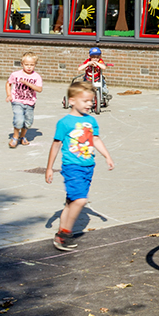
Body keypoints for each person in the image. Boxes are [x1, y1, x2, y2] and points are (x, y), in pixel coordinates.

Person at [46, 82, 114, 251]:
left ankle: (61, 234)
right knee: (80, 199)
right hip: (72, 166)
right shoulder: (65, 122)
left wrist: (107, 156)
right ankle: (65, 234)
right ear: (72, 101)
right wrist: (49, 168)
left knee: (71, 202)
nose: (89, 104)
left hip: (88, 166)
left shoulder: (91, 120)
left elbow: (96, 139)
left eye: (91, 101)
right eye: (85, 101)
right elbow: (55, 145)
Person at [6, 53, 43, 148]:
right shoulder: (16, 74)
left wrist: (27, 83)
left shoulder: (36, 77)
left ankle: (22, 136)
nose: (29, 67)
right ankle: (15, 136)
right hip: (17, 100)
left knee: (28, 122)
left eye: (32, 65)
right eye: (27, 65)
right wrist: (9, 95)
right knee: (19, 119)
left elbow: (39, 89)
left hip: (30, 102)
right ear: (22, 64)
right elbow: (8, 83)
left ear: (35, 65)